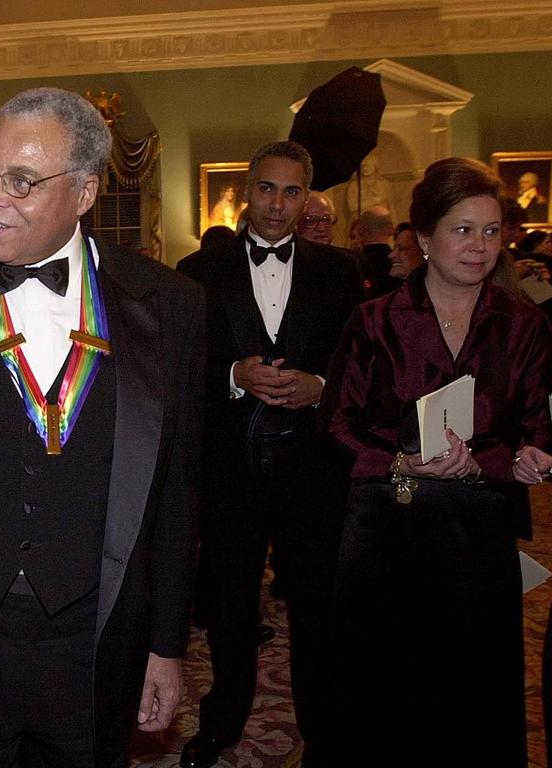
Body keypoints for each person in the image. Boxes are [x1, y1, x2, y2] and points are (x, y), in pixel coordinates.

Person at [0, 87, 204, 768]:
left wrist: (166, 646)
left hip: (97, 635)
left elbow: (177, 493)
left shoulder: (170, 304)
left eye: (21, 181)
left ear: (84, 192)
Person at [318, 157, 552, 767]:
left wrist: (513, 461)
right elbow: (334, 423)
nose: (479, 246)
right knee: (385, 694)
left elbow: (535, 427)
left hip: (480, 537)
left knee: (475, 693)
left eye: (492, 231)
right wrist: (401, 462)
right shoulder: (374, 320)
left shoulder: (522, 323)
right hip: (386, 532)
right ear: (423, 237)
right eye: (462, 229)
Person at [176, 141, 364, 768]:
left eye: (291, 192)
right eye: (266, 189)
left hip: (313, 469)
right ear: (247, 189)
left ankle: (322, 728)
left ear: (307, 197)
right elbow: (177, 373)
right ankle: (223, 721)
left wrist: (322, 388)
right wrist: (234, 373)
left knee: (315, 604)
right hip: (230, 467)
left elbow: (362, 369)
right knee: (230, 603)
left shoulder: (341, 271)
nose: (278, 204)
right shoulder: (198, 271)